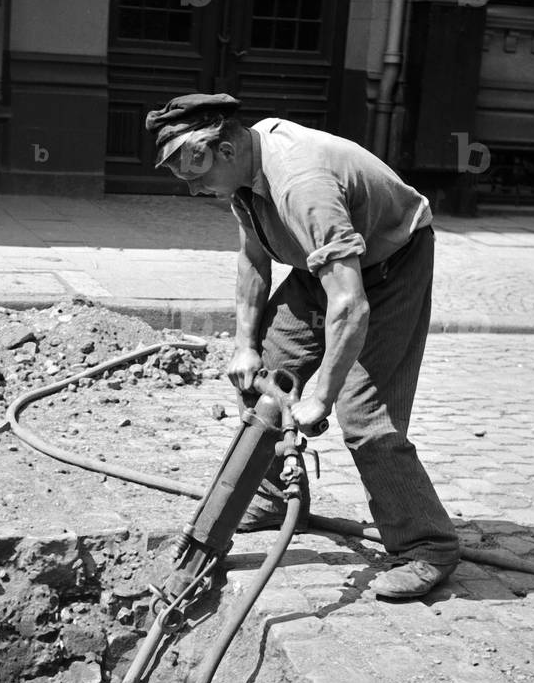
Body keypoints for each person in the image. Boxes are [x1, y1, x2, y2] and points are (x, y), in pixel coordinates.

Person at [145, 93, 460, 599]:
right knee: (262, 372)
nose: (193, 190)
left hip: (389, 266)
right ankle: (271, 497)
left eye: (196, 176)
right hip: (324, 268)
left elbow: (351, 306)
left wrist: (323, 397)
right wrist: (245, 345)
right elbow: (253, 258)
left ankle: (427, 545)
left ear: (225, 149)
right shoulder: (244, 173)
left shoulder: (300, 182)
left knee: (364, 416)